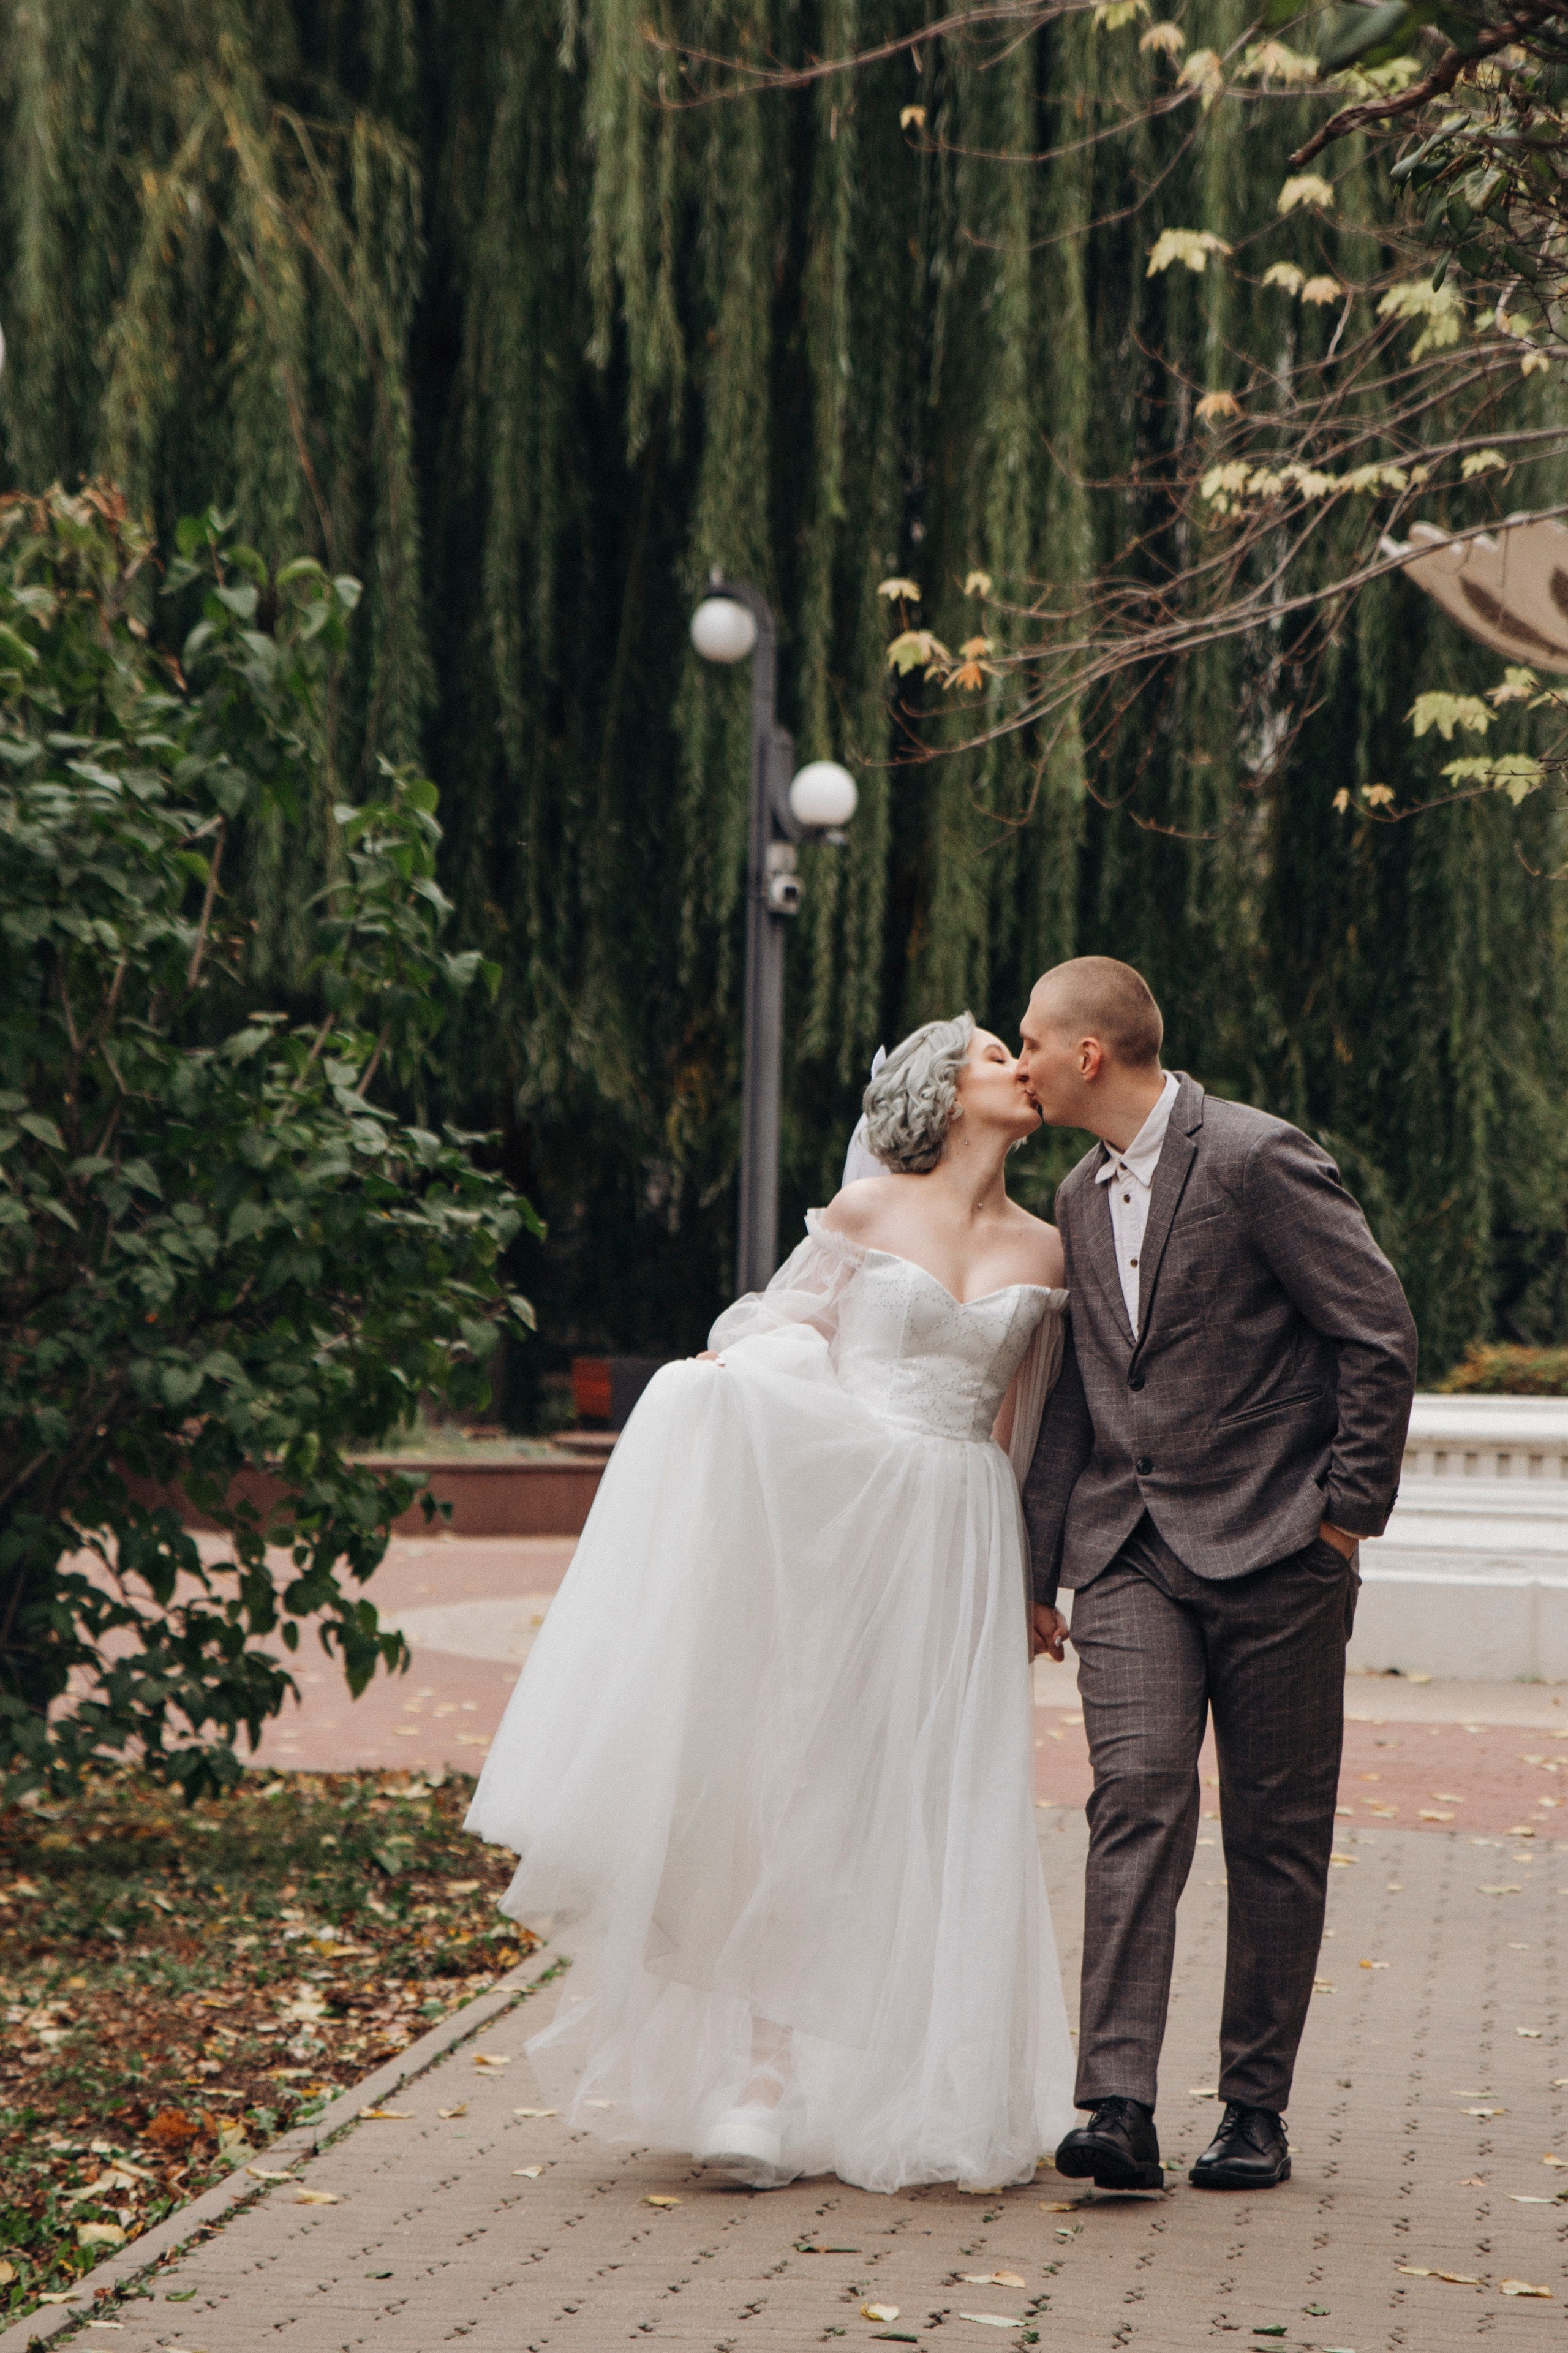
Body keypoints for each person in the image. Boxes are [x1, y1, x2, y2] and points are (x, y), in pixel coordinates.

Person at [466, 1015, 1078, 2194]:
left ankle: (938, 2087)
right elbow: (781, 1338)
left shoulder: (1047, 1249)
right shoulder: (861, 1218)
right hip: (845, 1524)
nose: (1020, 1066)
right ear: (946, 1092)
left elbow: (1029, 1427)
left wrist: (1031, 1579)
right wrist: (723, 1386)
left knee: (941, 1794)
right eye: (997, 1053)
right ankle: (759, 2082)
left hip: (960, 1531)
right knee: (804, 1785)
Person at [1017, 957, 1418, 2195]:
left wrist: (1341, 1517)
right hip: (1127, 1551)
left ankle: (1253, 2109)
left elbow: (1374, 1329)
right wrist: (1039, 1570)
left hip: (1277, 1549)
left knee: (1273, 1831)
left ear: (1090, 1053)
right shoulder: (1077, 1196)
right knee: (1133, 1797)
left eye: (1030, 1039)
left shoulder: (1254, 1157)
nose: (1016, 1058)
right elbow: (1088, 1397)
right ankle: (1117, 2105)